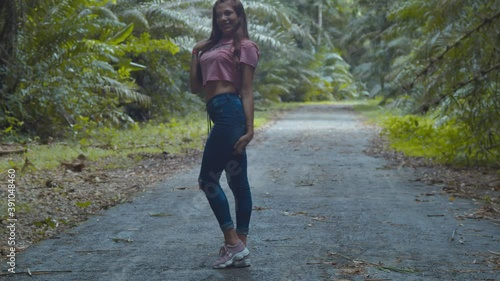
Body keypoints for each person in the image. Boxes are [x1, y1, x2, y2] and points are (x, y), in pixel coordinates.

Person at [189, 0, 259, 269]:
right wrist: (195, 54)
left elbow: (248, 90)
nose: (223, 18)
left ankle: (233, 243)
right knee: (237, 180)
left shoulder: (246, 47)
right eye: (219, 15)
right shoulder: (210, 47)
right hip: (218, 112)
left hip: (231, 111)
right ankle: (240, 249)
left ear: (239, 15)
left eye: (228, 13)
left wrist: (250, 129)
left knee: (208, 179)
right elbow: (196, 86)